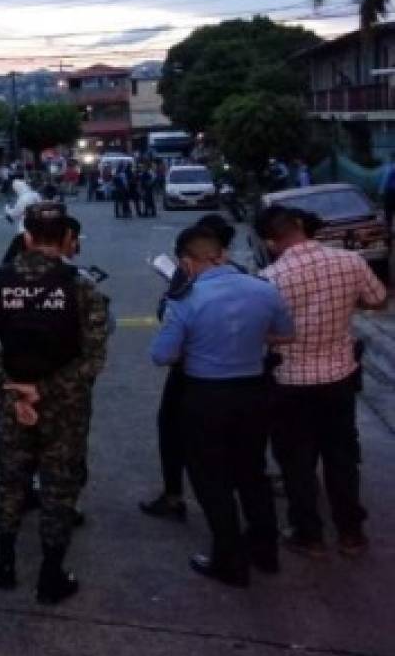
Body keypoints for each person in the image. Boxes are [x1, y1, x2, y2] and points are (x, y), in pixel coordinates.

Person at [0, 202, 110, 605]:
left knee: (10, 481)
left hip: (14, 402)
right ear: (68, 238)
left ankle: (4, 562)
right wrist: (46, 390)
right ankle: (51, 575)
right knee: (59, 486)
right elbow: (94, 358)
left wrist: (8, 386)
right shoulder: (82, 286)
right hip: (65, 409)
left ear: (28, 236)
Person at [150, 226, 295, 587]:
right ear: (224, 255)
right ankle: (266, 551)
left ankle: (229, 559)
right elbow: (286, 334)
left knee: (212, 478)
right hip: (254, 391)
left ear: (185, 263)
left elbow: (162, 354)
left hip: (206, 396)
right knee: (252, 472)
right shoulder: (264, 289)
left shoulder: (185, 299)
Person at [257, 205, 387, 557]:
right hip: (339, 377)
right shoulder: (350, 262)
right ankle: (350, 532)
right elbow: (377, 299)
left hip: (290, 382)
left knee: (297, 462)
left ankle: (309, 534)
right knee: (342, 456)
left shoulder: (269, 278)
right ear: (300, 226)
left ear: (270, 241)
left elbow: (261, 333)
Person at [140, 213, 239, 522]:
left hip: (192, 372)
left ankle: (175, 497)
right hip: (243, 372)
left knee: (174, 432)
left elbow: (164, 338)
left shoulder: (188, 280)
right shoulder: (248, 277)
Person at [2, 179, 42, 263]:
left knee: (9, 257)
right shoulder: (35, 194)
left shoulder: (22, 199)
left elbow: (15, 214)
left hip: (24, 230)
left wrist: (7, 209)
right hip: (39, 227)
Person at [379, 153, 395, 231]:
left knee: (388, 214)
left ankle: (388, 234)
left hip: (390, 192)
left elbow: (385, 180)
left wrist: (381, 191)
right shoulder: (390, 167)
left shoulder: (390, 167)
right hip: (390, 191)